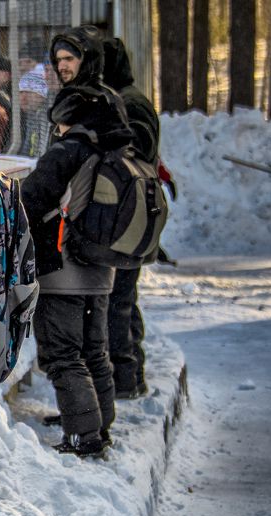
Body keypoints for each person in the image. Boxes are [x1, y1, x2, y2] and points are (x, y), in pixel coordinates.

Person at [21, 28, 134, 457]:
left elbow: (32, 198)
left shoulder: (67, 151)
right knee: (94, 349)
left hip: (63, 265)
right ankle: (97, 421)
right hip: (99, 262)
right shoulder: (109, 147)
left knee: (62, 352)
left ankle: (83, 435)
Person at [102, 36, 161, 399]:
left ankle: (126, 377)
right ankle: (130, 373)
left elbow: (133, 156)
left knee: (118, 301)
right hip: (131, 215)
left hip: (129, 215)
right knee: (123, 298)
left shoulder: (129, 104)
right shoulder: (127, 99)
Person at [17, 65, 50, 157]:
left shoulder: (47, 117)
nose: (23, 98)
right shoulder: (30, 115)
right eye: (21, 92)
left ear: (42, 95)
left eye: (29, 92)